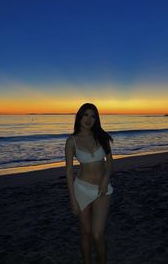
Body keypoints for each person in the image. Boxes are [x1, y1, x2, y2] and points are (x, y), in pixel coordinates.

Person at [65, 103, 114, 264]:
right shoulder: (72, 141)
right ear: (79, 116)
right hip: (81, 189)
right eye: (85, 115)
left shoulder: (101, 136)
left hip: (102, 189)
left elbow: (110, 162)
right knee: (85, 232)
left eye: (93, 116)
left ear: (96, 119)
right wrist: (72, 200)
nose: (88, 119)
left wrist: (106, 180)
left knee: (97, 234)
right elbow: (69, 172)